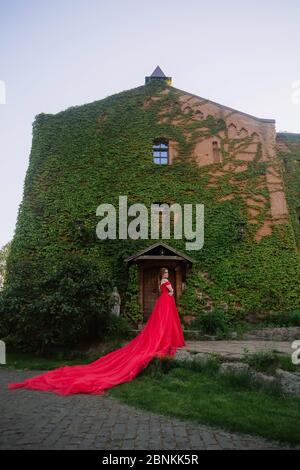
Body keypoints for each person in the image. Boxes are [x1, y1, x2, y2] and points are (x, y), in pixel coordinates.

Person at [8, 267, 185, 396]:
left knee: (162, 322)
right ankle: (166, 339)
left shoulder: (160, 281)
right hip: (166, 301)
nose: (167, 275)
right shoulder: (166, 282)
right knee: (164, 322)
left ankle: (164, 336)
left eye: (168, 273)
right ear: (163, 275)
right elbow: (170, 291)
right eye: (166, 273)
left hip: (163, 302)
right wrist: (170, 290)